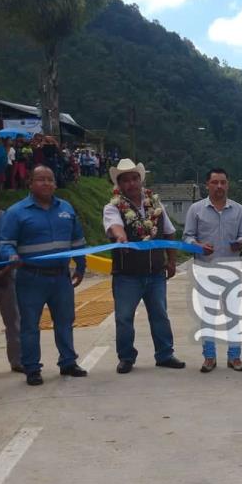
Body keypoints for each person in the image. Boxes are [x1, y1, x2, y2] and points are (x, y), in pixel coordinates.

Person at [0, 166, 87, 385]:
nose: (46, 183)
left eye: (50, 179)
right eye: (41, 179)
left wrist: (81, 265)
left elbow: (77, 241)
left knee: (65, 321)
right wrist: (10, 256)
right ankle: (32, 368)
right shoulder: (16, 212)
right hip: (31, 278)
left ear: (55, 183)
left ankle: (68, 362)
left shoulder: (66, 209)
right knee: (29, 325)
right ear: (30, 183)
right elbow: (5, 242)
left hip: (61, 278)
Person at [103, 159, 185, 374]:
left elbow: (169, 232)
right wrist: (121, 237)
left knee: (160, 314)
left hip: (156, 274)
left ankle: (165, 354)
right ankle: (126, 357)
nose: (131, 184)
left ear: (140, 180)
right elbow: (115, 227)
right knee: (124, 318)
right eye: (125, 180)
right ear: (119, 185)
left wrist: (172, 260)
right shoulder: (113, 207)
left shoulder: (155, 205)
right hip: (127, 275)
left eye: (134, 178)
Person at [183, 167, 242, 373]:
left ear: (228, 184)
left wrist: (240, 243)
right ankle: (209, 357)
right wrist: (198, 245)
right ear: (207, 185)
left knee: (234, 315)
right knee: (207, 315)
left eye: (223, 182)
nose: (219, 186)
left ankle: (234, 357)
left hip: (232, 270)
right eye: (215, 182)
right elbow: (186, 237)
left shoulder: (238, 209)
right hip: (205, 270)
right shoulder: (196, 209)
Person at [0, 193, 23, 373]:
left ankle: (18, 361)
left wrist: (5, 271)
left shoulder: (7, 219)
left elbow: (15, 246)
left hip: (8, 277)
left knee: (13, 322)